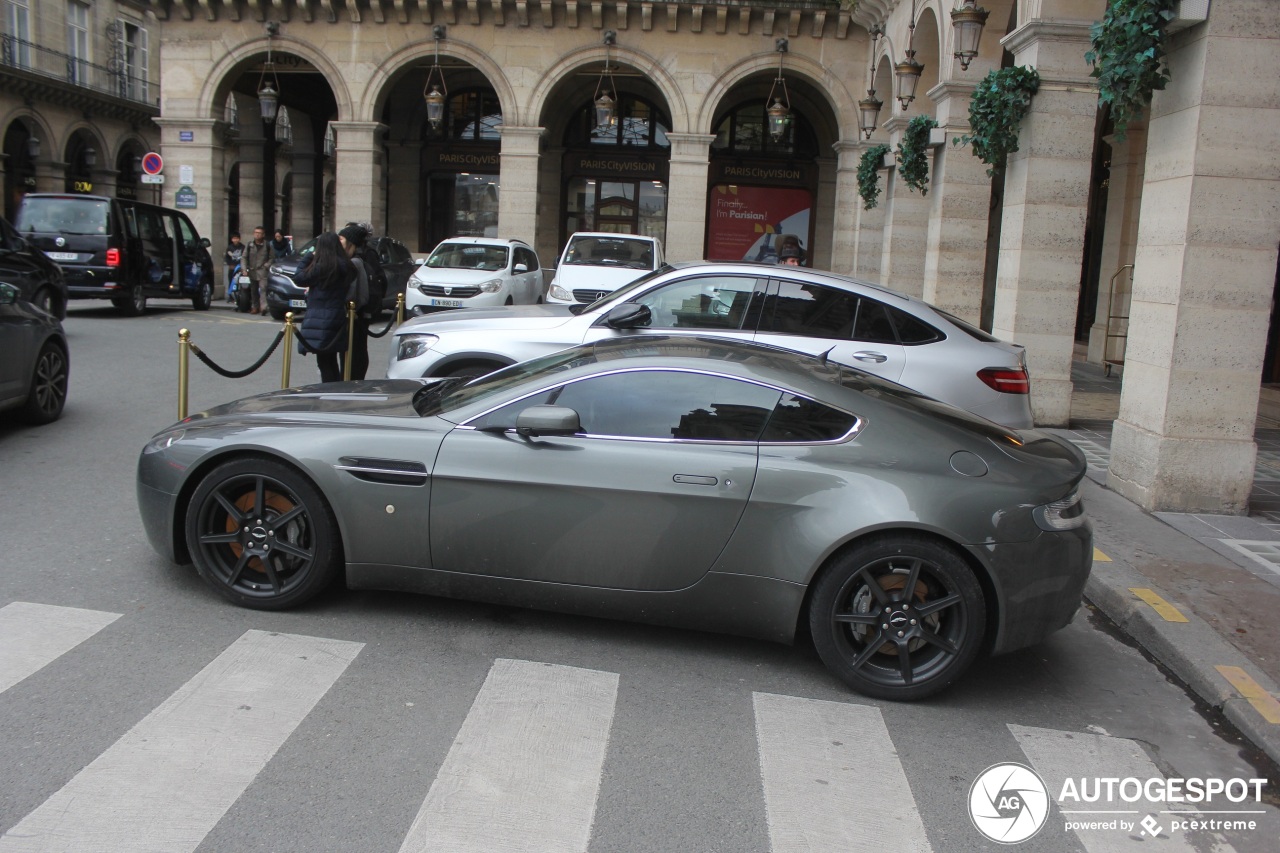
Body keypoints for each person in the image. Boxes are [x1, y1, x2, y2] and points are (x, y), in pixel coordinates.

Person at [294, 232, 356, 383]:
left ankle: (329, 390)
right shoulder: (345, 265)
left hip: (319, 316)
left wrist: (309, 256)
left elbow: (298, 278)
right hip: (336, 313)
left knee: (324, 360)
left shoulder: (322, 266)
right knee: (331, 358)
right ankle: (335, 389)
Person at [337, 222, 385, 381]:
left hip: (356, 314)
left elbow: (359, 290)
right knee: (357, 350)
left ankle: (352, 382)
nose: (339, 242)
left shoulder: (357, 260)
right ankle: (353, 380)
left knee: (355, 351)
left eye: (342, 239)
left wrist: (353, 308)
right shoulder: (363, 255)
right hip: (360, 314)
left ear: (351, 242)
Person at [242, 225, 272, 315]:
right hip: (252, 270)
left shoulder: (267, 245)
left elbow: (272, 258)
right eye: (256, 233)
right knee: (253, 290)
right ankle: (255, 306)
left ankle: (264, 307)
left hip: (262, 270)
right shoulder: (249, 245)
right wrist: (244, 269)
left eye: (259, 233)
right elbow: (244, 257)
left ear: (263, 235)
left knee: (263, 288)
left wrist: (266, 266)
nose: (257, 235)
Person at [223, 231, 243, 301]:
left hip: (240, 267)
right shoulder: (230, 247)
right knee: (231, 281)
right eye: (234, 238)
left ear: (239, 239)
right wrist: (229, 264)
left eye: (237, 238)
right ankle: (230, 296)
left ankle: (240, 295)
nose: (235, 240)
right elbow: (227, 257)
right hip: (232, 267)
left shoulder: (242, 247)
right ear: (232, 239)